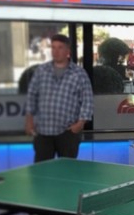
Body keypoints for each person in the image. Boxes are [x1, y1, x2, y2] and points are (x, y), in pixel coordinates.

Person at [25, 34, 94, 163]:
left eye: (60, 47)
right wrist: (29, 120)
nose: (55, 51)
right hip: (43, 131)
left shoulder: (79, 74)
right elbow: (32, 95)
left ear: (68, 51)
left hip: (68, 132)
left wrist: (80, 124)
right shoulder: (41, 71)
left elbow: (87, 100)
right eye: (53, 47)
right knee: (42, 171)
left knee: (67, 170)